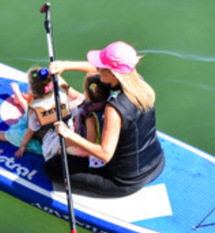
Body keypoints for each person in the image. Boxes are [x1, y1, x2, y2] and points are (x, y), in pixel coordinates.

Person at [44, 41, 165, 197]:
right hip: (157, 163)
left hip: (123, 181)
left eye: (101, 68)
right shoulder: (141, 85)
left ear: (113, 74)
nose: (97, 70)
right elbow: (101, 70)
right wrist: (66, 65)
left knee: (52, 168)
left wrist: (68, 134)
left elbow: (105, 154)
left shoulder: (113, 109)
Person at [0, 67, 83, 158]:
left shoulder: (36, 111)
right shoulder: (62, 93)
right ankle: (20, 99)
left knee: (15, 134)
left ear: (33, 94)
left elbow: (30, 132)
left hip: (47, 141)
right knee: (33, 115)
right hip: (59, 126)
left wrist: (22, 147)